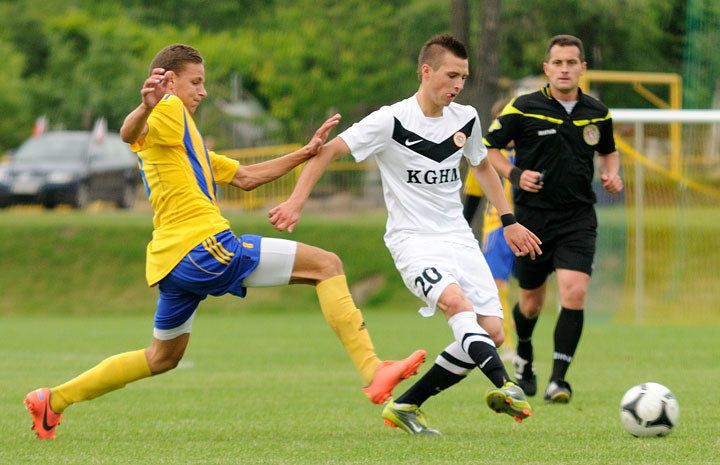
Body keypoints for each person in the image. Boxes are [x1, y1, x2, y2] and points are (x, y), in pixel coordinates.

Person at [24, 44, 426, 440]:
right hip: (204, 247)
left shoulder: (185, 137)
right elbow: (133, 132)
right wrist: (147, 105)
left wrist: (305, 153)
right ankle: (373, 370)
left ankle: (53, 400)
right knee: (327, 265)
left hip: (173, 261)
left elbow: (247, 177)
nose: (203, 91)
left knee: (161, 357)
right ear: (170, 81)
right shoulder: (168, 110)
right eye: (195, 82)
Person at [269, 34, 543, 435]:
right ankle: (505, 384)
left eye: (464, 77)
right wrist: (295, 201)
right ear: (426, 71)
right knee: (455, 303)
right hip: (412, 240)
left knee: (493, 332)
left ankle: (407, 404)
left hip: (457, 237)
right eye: (451, 75)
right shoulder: (390, 120)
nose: (458, 85)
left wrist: (509, 219)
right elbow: (327, 151)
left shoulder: (466, 117)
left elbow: (482, 165)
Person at [484, 34, 623, 404]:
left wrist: (612, 174)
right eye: (557, 63)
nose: (564, 69)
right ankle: (525, 355)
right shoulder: (522, 108)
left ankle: (558, 380)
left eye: (571, 62)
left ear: (582, 68)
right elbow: (490, 150)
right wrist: (515, 176)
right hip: (531, 222)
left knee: (574, 294)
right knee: (531, 303)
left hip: (578, 218)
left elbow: (609, 152)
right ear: (547, 68)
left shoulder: (598, 112)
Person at [462, 98, 517, 362]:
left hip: (531, 226)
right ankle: (506, 343)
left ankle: (522, 342)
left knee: (532, 292)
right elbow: (473, 194)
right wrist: (462, 228)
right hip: (497, 228)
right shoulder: (484, 156)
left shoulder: (531, 153)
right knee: (496, 285)